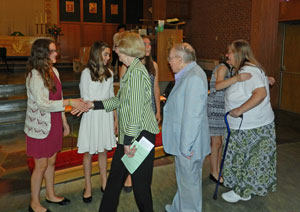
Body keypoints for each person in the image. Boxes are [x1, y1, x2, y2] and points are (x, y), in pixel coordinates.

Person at [72, 32, 159, 212]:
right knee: (114, 182)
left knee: (140, 186)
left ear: (127, 49)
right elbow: (119, 100)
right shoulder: (131, 69)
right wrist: (93, 104)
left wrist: (127, 143)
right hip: (131, 135)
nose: (115, 51)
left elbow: (134, 112)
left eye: (118, 47)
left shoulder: (135, 73)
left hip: (139, 136)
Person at [24, 38, 89, 212]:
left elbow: (58, 99)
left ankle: (50, 194)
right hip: (39, 126)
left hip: (53, 123)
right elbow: (43, 104)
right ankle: (34, 203)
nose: (56, 54)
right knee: (40, 166)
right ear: (42, 54)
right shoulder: (35, 75)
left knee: (51, 162)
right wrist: (71, 102)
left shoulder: (54, 71)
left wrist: (64, 122)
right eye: (52, 51)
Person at [221, 39, 276, 203]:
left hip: (251, 127)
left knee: (250, 161)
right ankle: (244, 189)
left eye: (229, 52)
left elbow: (260, 93)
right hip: (249, 126)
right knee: (247, 160)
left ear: (238, 53)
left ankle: (242, 191)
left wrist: (239, 110)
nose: (226, 55)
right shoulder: (248, 70)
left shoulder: (248, 70)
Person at [162, 43, 210, 212]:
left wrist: (186, 147)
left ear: (180, 59)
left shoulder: (194, 77)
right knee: (186, 180)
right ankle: (178, 207)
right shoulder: (189, 74)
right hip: (186, 141)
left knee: (190, 184)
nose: (169, 62)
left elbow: (192, 116)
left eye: (170, 58)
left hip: (190, 144)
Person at [77, 41, 118, 203]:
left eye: (109, 54)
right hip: (91, 115)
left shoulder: (109, 72)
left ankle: (104, 181)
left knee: (103, 151)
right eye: (106, 54)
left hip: (105, 115)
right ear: (97, 54)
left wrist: (115, 118)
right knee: (88, 152)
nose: (108, 58)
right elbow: (86, 98)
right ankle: (87, 185)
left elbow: (112, 98)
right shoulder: (86, 73)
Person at [121, 35, 161, 193]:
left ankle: (143, 178)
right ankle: (130, 175)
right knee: (132, 143)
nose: (148, 46)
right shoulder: (128, 65)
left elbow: (155, 87)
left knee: (144, 146)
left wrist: (157, 109)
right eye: (144, 43)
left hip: (149, 109)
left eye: (150, 43)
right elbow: (123, 93)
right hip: (133, 111)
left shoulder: (154, 65)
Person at [207, 56, 252, 184]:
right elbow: (218, 85)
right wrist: (236, 78)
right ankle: (213, 172)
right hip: (215, 108)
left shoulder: (232, 69)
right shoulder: (222, 68)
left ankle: (217, 169)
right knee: (215, 143)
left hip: (224, 108)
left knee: (220, 142)